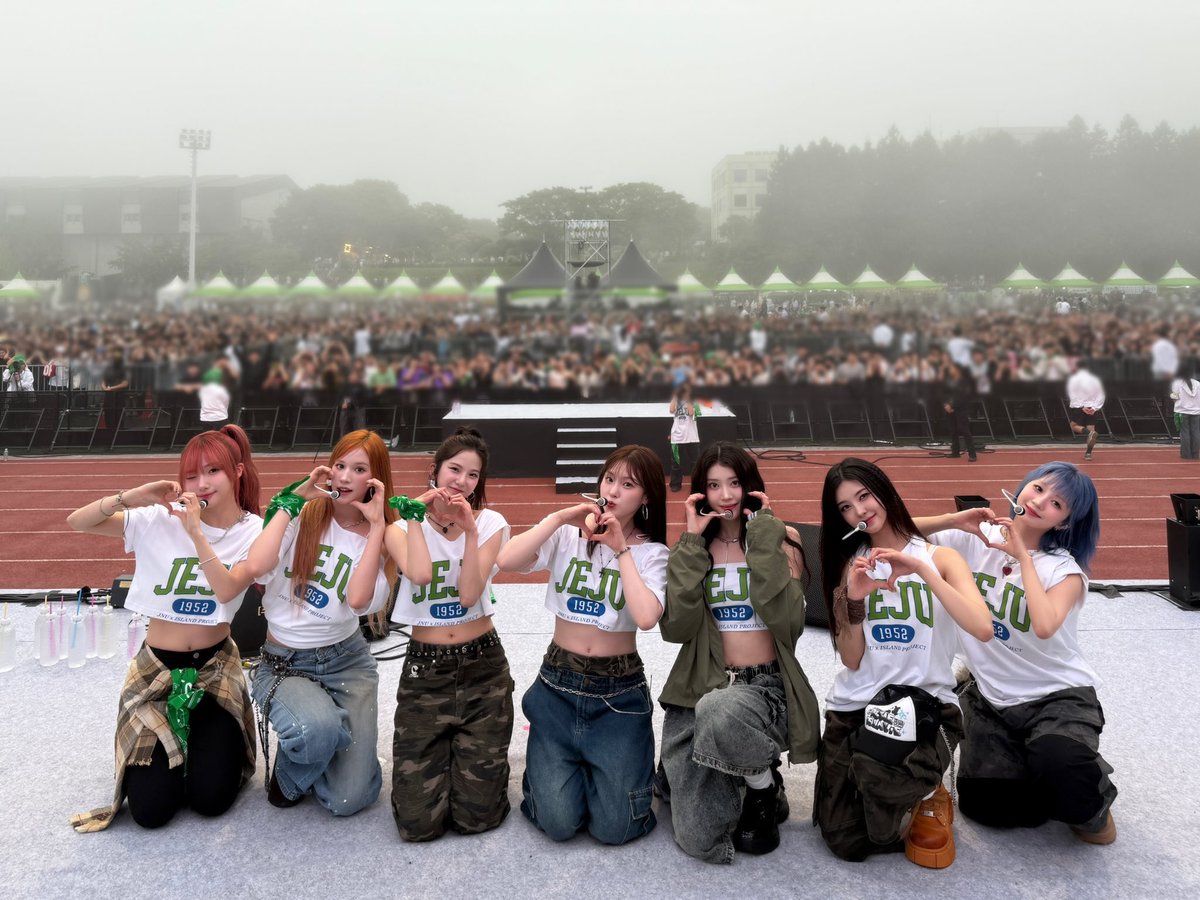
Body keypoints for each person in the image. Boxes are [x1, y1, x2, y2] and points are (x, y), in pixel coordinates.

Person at [67, 426, 264, 831]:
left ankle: (202, 743)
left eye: (213, 471)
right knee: (150, 812)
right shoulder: (158, 519)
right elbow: (78, 522)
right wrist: (129, 497)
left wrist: (196, 531)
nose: (201, 484)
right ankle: (173, 748)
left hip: (215, 671)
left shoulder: (252, 531)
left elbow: (228, 588)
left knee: (211, 801)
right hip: (157, 671)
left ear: (238, 472)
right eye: (191, 475)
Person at [918, 461, 1117, 845]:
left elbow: (1044, 624)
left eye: (1057, 503)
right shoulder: (978, 538)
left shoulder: (1065, 572)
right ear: (1022, 488)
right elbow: (894, 531)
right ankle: (1040, 765)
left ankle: (1093, 800)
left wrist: (1023, 556)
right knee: (987, 808)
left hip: (1057, 696)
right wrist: (954, 519)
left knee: (1064, 768)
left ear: (1064, 522)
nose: (1042, 501)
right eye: (1039, 488)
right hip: (992, 699)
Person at [814, 458, 993, 868]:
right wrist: (855, 601)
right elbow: (852, 657)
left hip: (923, 705)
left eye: (864, 495)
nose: (859, 510)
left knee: (879, 789)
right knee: (846, 840)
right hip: (858, 704)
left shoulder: (942, 558)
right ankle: (890, 785)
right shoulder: (853, 564)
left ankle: (928, 790)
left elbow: (981, 627)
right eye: (845, 507)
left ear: (883, 489)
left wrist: (921, 569)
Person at [496, 445, 668, 845]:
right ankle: (574, 768)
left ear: (646, 498)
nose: (614, 490)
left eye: (628, 485)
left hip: (618, 694)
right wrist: (559, 518)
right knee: (557, 824)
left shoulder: (652, 553)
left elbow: (646, 617)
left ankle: (600, 767)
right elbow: (507, 559)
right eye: (609, 479)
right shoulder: (566, 537)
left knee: (616, 829)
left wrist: (621, 547)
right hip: (558, 684)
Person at [658, 442, 820, 863]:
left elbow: (789, 624)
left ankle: (763, 789)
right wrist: (691, 544)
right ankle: (746, 774)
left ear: (750, 486)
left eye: (734, 482)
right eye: (714, 485)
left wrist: (763, 544)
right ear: (701, 493)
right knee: (696, 836)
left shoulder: (783, 539)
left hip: (765, 689)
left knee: (721, 712)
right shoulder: (693, 547)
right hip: (704, 685)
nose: (726, 495)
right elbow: (675, 629)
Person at [240, 429, 394, 814]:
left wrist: (376, 527)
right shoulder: (301, 515)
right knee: (315, 731)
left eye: (358, 469)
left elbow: (358, 601)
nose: (343, 476)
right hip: (284, 661)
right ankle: (298, 763)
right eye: (339, 465)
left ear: (375, 481)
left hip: (347, 660)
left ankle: (333, 742)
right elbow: (256, 569)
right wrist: (292, 502)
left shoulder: (385, 536)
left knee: (349, 800)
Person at [387, 426, 513, 841]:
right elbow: (420, 575)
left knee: (477, 819)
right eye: (454, 469)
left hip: (483, 665)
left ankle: (469, 764)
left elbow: (468, 594)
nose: (461, 481)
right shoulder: (400, 526)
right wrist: (416, 517)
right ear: (435, 470)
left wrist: (471, 531)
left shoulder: (491, 523)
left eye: (472, 475)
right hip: (426, 670)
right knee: (417, 825)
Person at [1067, 359, 1104, 461]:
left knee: (1073, 426)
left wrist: (1081, 406)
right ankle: (1088, 453)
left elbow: (1073, 394)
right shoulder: (1095, 380)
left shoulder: (1074, 379)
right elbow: (1101, 394)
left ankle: (1088, 432)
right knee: (1092, 430)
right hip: (1091, 407)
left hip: (1080, 407)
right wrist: (1095, 408)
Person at [941, 361, 978, 462]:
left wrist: (952, 405)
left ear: (957, 370)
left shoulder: (964, 382)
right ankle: (955, 452)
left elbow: (964, 396)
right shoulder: (949, 381)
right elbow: (944, 393)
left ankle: (972, 454)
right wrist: (946, 404)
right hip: (949, 409)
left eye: (952, 368)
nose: (950, 370)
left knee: (965, 431)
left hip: (960, 409)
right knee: (953, 431)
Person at [668, 382, 701, 492]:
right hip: (677, 437)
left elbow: (692, 413)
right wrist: (675, 396)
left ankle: (697, 484)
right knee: (676, 463)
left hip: (692, 437)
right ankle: (675, 484)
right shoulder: (676, 401)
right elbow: (671, 410)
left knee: (695, 463)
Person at [1170, 366, 1200, 460]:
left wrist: (1178, 404)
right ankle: (1195, 454)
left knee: (1184, 433)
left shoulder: (1176, 383)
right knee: (1196, 433)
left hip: (1182, 411)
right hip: (1196, 411)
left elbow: (1174, 397)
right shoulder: (1197, 383)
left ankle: (1186, 454)